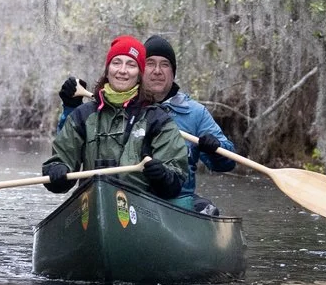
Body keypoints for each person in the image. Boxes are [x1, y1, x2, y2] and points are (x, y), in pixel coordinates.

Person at [44, 36, 191, 200]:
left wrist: (164, 176)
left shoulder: (158, 120)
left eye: (131, 65)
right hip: (90, 202)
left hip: (140, 208)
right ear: (107, 71)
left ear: (140, 74)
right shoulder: (82, 115)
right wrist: (57, 169)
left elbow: (175, 183)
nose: (122, 70)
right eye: (116, 63)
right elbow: (59, 170)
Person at [139, 35, 234, 209]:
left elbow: (227, 163)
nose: (157, 71)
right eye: (150, 63)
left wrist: (216, 150)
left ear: (173, 73)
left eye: (165, 64)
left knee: (207, 209)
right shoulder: (126, 108)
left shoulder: (195, 113)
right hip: (133, 198)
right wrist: (70, 105)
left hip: (179, 200)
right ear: (140, 70)